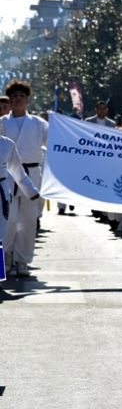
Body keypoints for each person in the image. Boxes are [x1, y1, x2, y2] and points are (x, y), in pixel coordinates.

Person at [0, 80, 48, 277]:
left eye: (21, 96)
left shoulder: (39, 123)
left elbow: (56, 145)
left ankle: (23, 260)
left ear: (27, 100)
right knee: (8, 220)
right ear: (9, 101)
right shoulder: (2, 123)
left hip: (32, 173)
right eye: (14, 96)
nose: (18, 99)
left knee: (28, 220)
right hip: (7, 176)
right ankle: (7, 258)